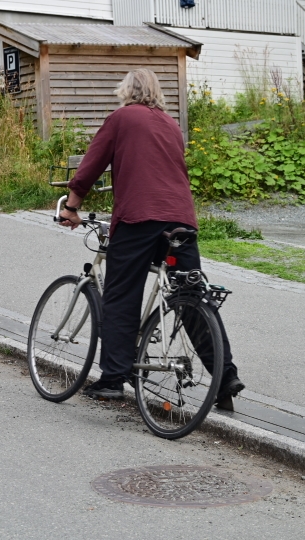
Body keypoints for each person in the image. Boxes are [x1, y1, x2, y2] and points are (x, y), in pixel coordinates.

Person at [60, 68, 244, 406]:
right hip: (181, 219)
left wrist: (72, 205)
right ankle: (224, 377)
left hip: (139, 217)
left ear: (126, 91)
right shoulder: (171, 124)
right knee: (192, 295)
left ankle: (114, 378)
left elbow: (91, 165)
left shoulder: (121, 118)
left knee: (121, 295)